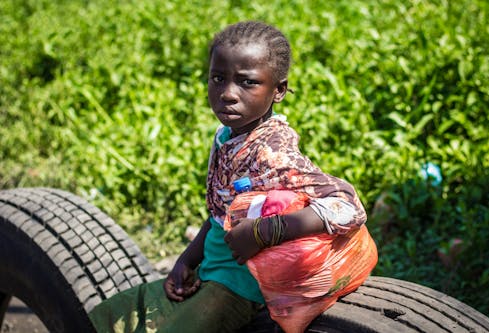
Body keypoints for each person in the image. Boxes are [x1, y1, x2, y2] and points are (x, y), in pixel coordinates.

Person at [89, 20, 371, 333]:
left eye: (247, 82)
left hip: (239, 289)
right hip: (211, 272)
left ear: (278, 90)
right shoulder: (226, 136)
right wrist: (186, 260)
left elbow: (348, 204)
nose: (227, 94)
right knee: (108, 316)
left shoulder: (272, 152)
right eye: (218, 78)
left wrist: (267, 231)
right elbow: (218, 214)